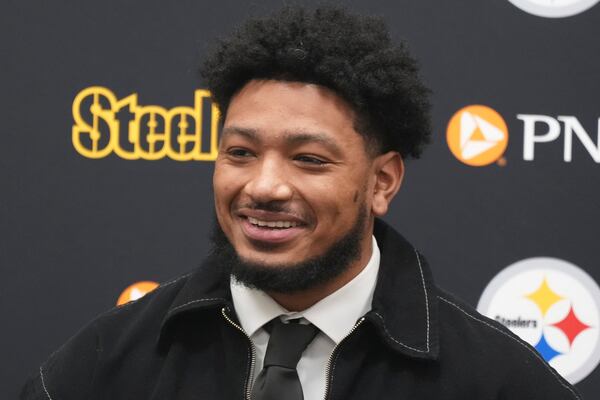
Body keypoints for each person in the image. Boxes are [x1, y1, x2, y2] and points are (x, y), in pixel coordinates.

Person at [22, 5, 581, 400]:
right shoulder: (105, 363)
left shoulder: (496, 381)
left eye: (309, 159)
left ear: (383, 182)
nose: (264, 186)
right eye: (240, 152)